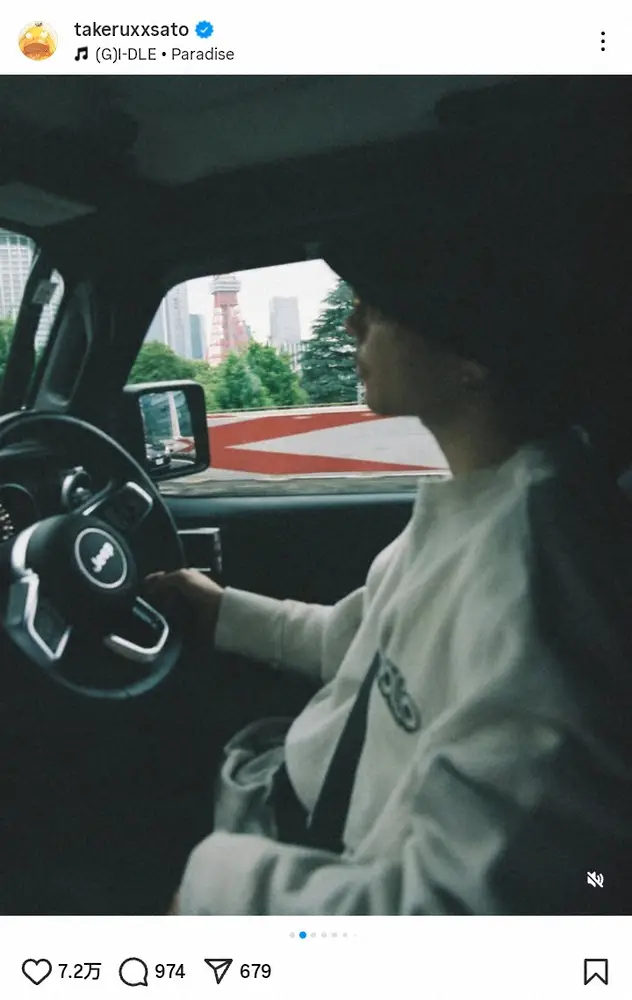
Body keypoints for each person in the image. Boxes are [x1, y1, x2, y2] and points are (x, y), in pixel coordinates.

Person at [146, 120, 632, 915]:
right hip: (301, 811)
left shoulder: (541, 584)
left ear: (475, 350)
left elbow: (449, 912)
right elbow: (366, 647)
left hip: (324, 863)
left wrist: (217, 885)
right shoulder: (487, 499)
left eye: (380, 305)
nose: (351, 325)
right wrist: (218, 610)